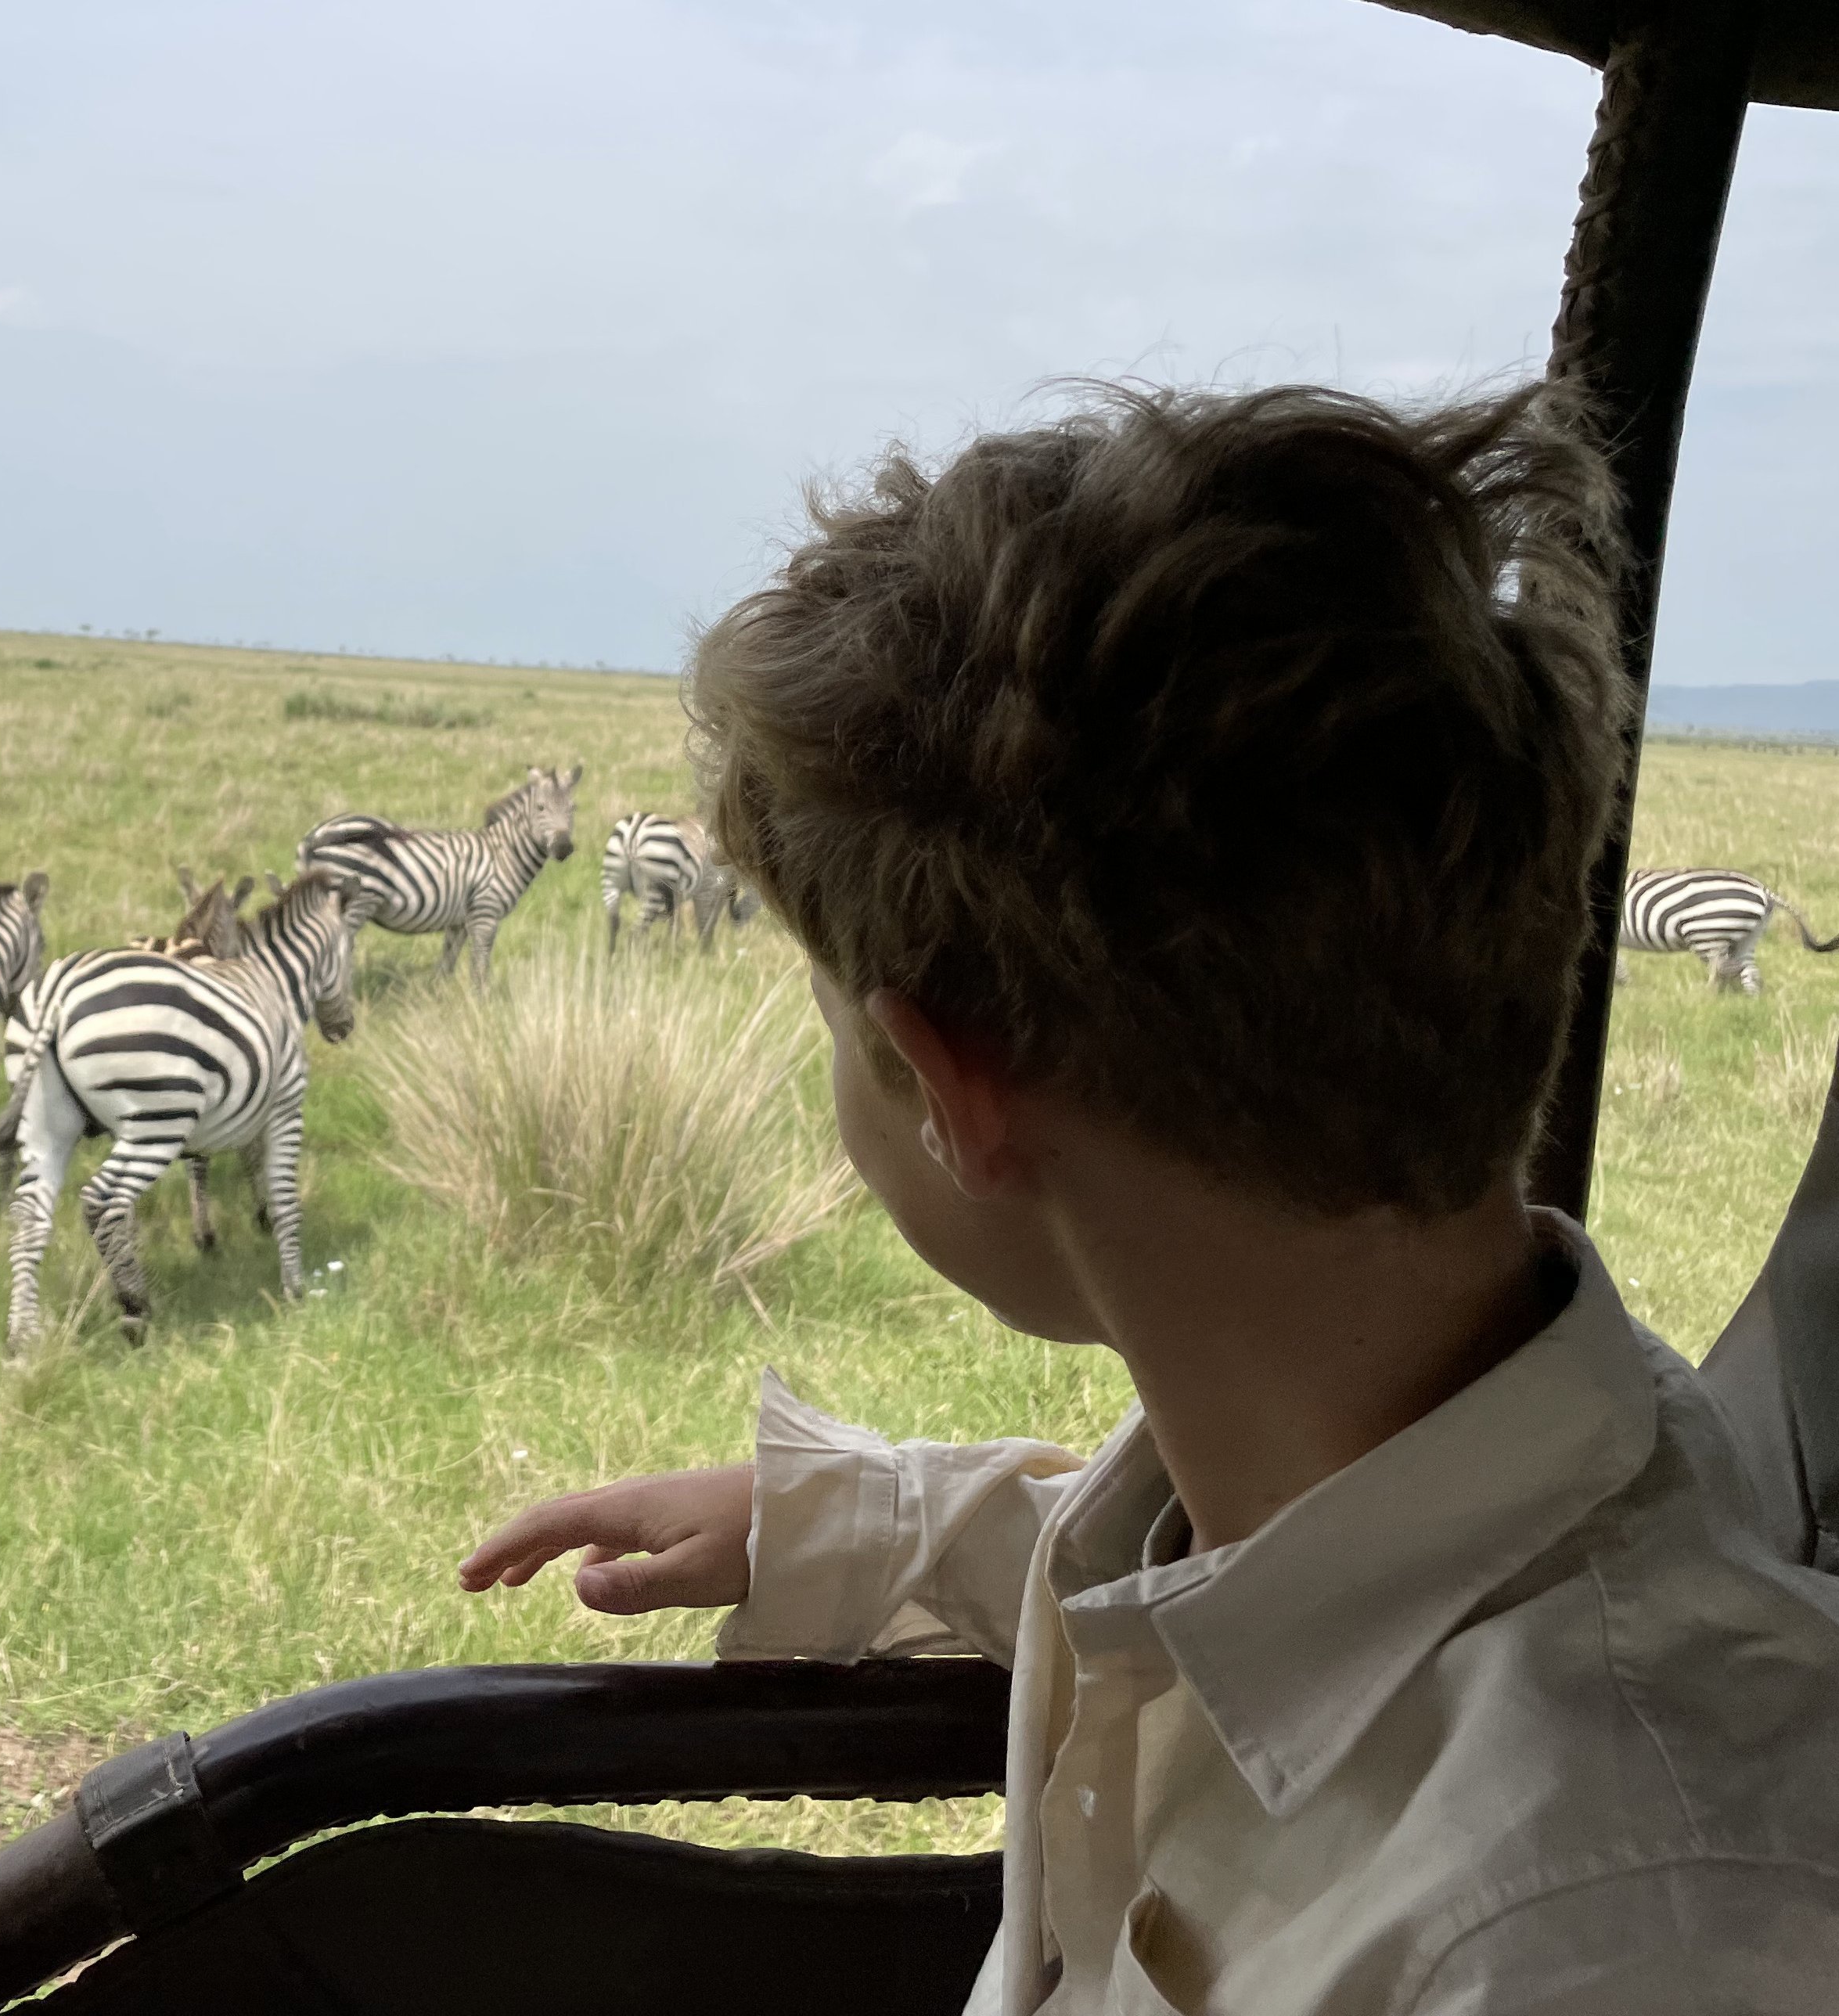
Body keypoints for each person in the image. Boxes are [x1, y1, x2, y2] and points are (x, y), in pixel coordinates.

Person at [458, 384, 1839, 2013]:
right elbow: (1290, 1580)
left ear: (944, 1081)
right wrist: (853, 1521)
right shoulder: (1401, 1465)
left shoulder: (1612, 1931)